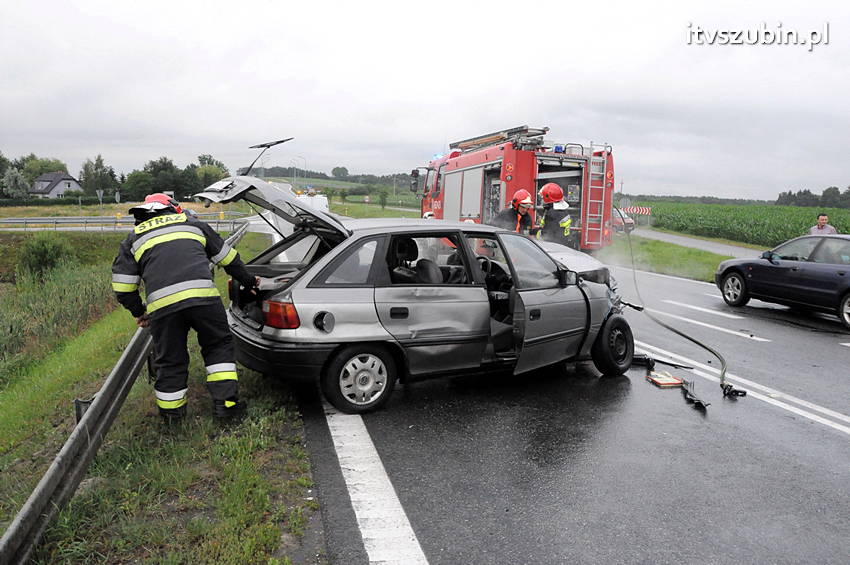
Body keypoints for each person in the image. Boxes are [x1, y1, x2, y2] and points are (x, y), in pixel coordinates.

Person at [111, 193, 259, 423]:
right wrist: (250, 283)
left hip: (163, 310)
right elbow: (229, 260)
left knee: (170, 360)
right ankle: (227, 408)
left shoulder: (133, 239)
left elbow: (122, 287)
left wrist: (139, 312)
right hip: (204, 302)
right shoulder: (194, 225)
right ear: (172, 208)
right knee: (218, 347)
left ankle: (172, 418)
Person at [535, 182, 578, 249]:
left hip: (553, 248)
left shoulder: (552, 214)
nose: (541, 201)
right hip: (563, 245)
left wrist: (536, 236)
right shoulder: (563, 211)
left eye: (543, 198)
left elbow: (547, 236)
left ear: (548, 198)